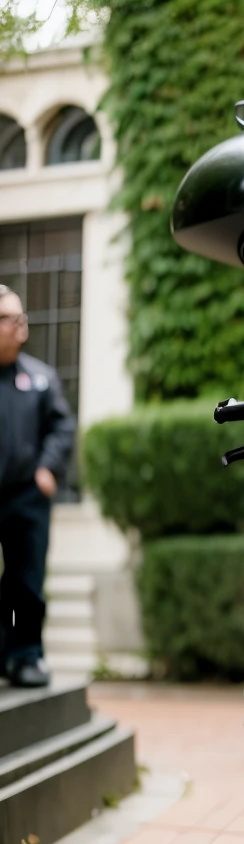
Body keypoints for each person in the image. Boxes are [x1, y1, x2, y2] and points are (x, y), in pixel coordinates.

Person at [0, 286, 75, 689]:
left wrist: (48, 468)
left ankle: (25, 656)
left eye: (21, 317)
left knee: (25, 582)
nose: (20, 327)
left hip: (28, 497)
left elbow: (62, 427)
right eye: (11, 319)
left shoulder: (41, 379)